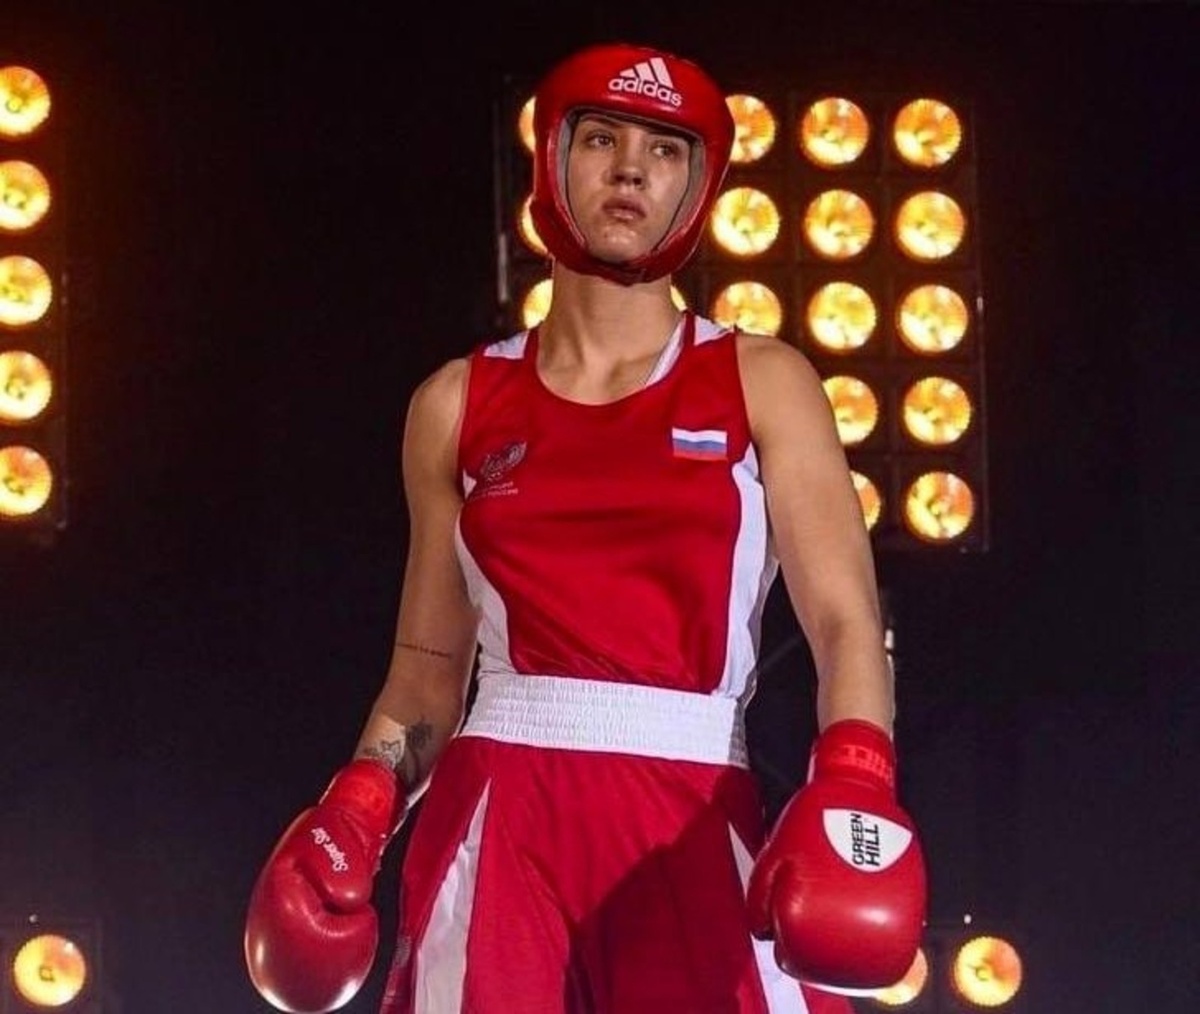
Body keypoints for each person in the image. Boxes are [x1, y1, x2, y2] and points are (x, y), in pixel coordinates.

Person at [243, 40, 927, 1014]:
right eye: (603, 138)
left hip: (691, 811)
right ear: (553, 159)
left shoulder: (762, 382)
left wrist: (858, 783)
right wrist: (359, 807)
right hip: (499, 808)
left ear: (698, 185)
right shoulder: (456, 403)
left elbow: (846, 624)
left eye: (665, 149)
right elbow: (427, 671)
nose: (631, 170)